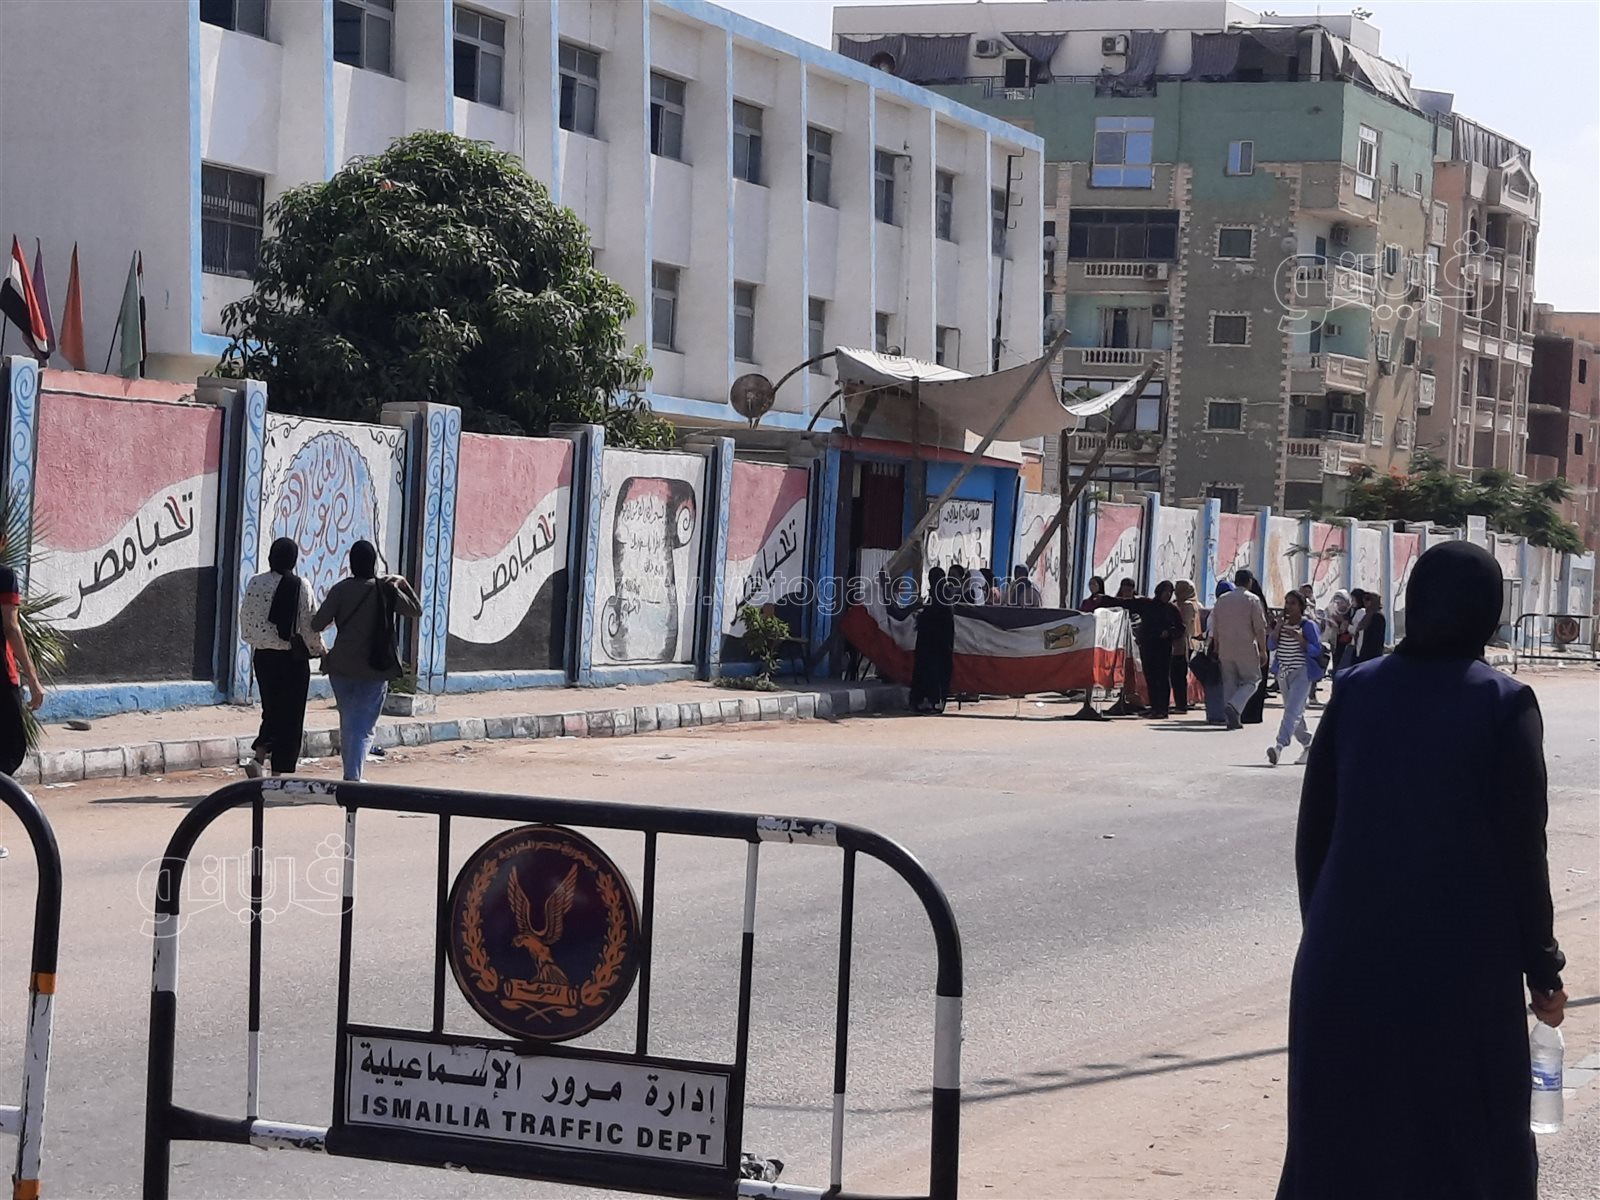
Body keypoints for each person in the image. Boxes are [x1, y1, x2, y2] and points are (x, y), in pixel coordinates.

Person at [1278, 541, 1566, 1200]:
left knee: (1345, 1147)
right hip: (1459, 972)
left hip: (1344, 964)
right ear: (1488, 610)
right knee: (1462, 1148)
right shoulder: (1502, 703)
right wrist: (1543, 970)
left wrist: (1328, 933)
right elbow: (1524, 852)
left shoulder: (1356, 689)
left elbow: (1315, 833)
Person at [312, 541, 422, 782]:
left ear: (352, 563)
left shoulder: (340, 590)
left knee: (348, 722)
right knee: (364, 726)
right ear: (374, 563)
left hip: (341, 666)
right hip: (375, 667)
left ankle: (351, 774)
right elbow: (416, 610)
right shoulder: (385, 590)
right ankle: (353, 777)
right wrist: (403, 583)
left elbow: (317, 623)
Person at [239, 538, 325, 777]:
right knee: (291, 715)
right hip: (291, 661)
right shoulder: (300, 585)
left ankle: (260, 756)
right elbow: (308, 624)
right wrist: (320, 650)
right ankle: (278, 772)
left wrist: (261, 640)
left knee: (271, 709)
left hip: (263, 658)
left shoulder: (255, 582)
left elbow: (246, 620)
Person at [1108, 581, 1184, 720]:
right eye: (1165, 591)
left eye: (1170, 592)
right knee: (1151, 677)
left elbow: (1180, 628)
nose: (1168, 595)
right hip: (1148, 646)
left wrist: (1169, 632)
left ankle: (1162, 709)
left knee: (1162, 678)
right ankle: (1154, 708)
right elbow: (1127, 604)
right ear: (1159, 591)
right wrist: (1103, 600)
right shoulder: (1147, 604)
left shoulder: (1172, 609)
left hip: (1164, 649)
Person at [1266, 591, 1324, 766]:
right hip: (1283, 672)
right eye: (1287, 603)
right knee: (1294, 710)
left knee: (1292, 710)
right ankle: (1309, 744)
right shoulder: (1282, 624)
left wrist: (1301, 640)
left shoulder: (1307, 625)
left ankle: (1279, 747)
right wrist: (1277, 629)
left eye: (1293, 603)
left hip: (1302, 672)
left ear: (1300, 606)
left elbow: (1317, 650)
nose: (1289, 607)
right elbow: (1271, 645)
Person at [0, 561, 45, 777]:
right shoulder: (4, 576)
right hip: (2, 675)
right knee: (10, 749)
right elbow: (11, 627)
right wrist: (33, 679)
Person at [1209, 569, 1268, 730]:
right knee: (1252, 680)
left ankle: (1232, 718)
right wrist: (1263, 650)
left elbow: (1216, 626)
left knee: (1230, 682)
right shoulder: (1252, 599)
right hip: (1246, 646)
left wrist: (1216, 647)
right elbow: (1260, 628)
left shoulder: (1222, 600)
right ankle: (1234, 706)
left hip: (1225, 647)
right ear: (1249, 582)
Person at [909, 567, 955, 713]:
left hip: (932, 643)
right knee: (938, 672)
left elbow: (934, 617)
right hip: (941, 643)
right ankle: (934, 701)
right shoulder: (944, 594)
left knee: (930, 671)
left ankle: (930, 701)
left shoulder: (939, 595)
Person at [1241, 576, 1272, 725]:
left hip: (1250, 645)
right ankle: (1253, 714)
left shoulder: (1252, 602)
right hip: (1259, 645)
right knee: (1257, 681)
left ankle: (1244, 712)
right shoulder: (1257, 602)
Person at [1172, 580, 1202, 714]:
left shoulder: (1187, 605)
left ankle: (1181, 704)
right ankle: (1181, 702)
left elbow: (1183, 625)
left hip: (1183, 643)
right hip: (1185, 642)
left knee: (1178, 674)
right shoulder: (1192, 604)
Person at [1339, 588, 1368, 672]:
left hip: (1358, 644)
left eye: (1353, 599)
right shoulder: (1356, 611)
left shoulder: (1361, 612)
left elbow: (1355, 629)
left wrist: (1347, 625)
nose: (1352, 602)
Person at [1354, 591, 1387, 662]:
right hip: (1364, 652)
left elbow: (1375, 638)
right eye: (1364, 599)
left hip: (1373, 654)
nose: (1365, 602)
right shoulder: (1368, 615)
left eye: (1368, 599)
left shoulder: (1378, 616)